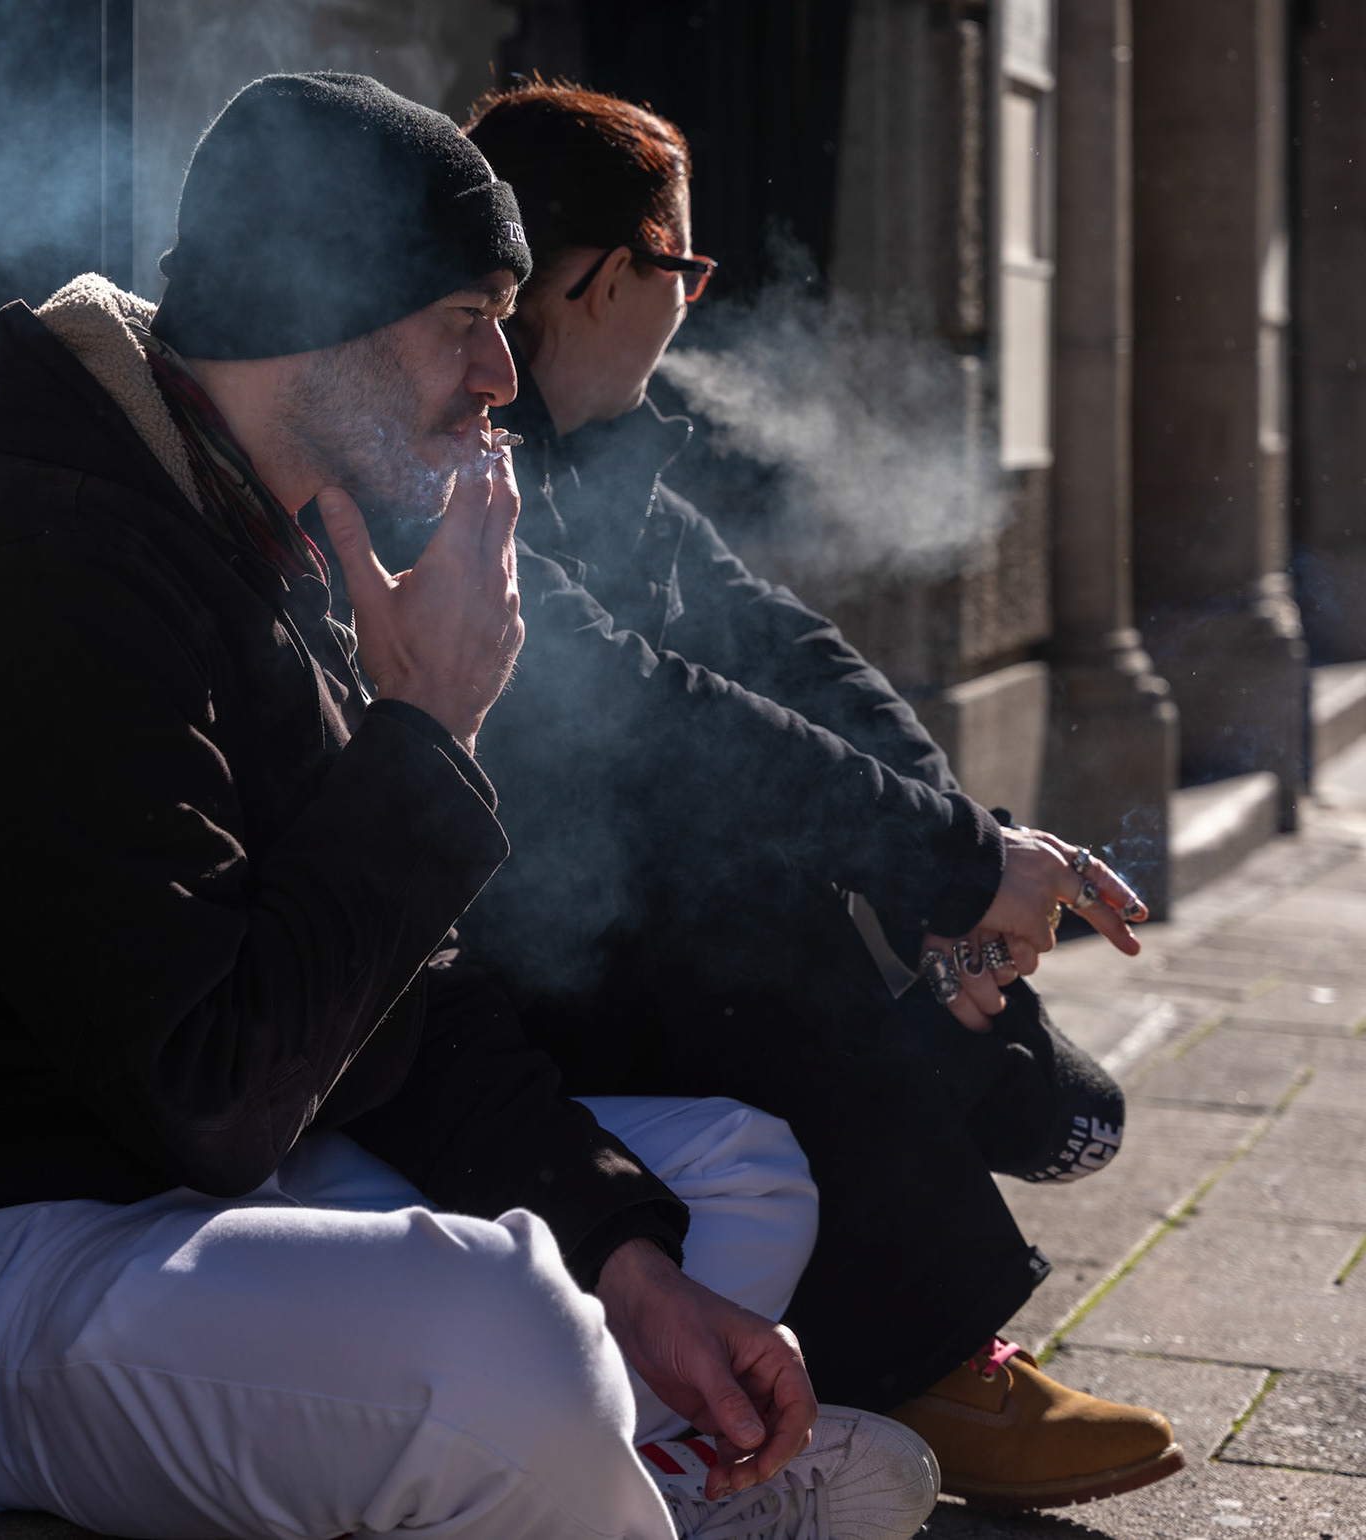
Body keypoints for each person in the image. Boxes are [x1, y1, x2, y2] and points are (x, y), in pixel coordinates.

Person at [0, 73, 943, 1540]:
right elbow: (212, 1091)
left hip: (139, 1173)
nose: (502, 375)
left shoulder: (254, 525)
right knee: (500, 1339)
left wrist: (630, 1263)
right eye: (467, 318)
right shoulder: (40, 565)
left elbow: (400, 1008)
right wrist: (426, 733)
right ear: (317, 301)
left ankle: (614, 1475)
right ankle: (608, 1479)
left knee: (730, 1185)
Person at [428, 81, 1188, 1512]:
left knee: (840, 859)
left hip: (556, 942)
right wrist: (955, 867)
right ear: (604, 277)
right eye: (685, 267)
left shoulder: (611, 467)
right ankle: (930, 1346)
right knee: (757, 899)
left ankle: (992, 1071)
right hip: (462, 981)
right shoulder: (459, 460)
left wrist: (978, 860)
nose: (693, 304)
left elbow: (798, 658)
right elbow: (657, 713)